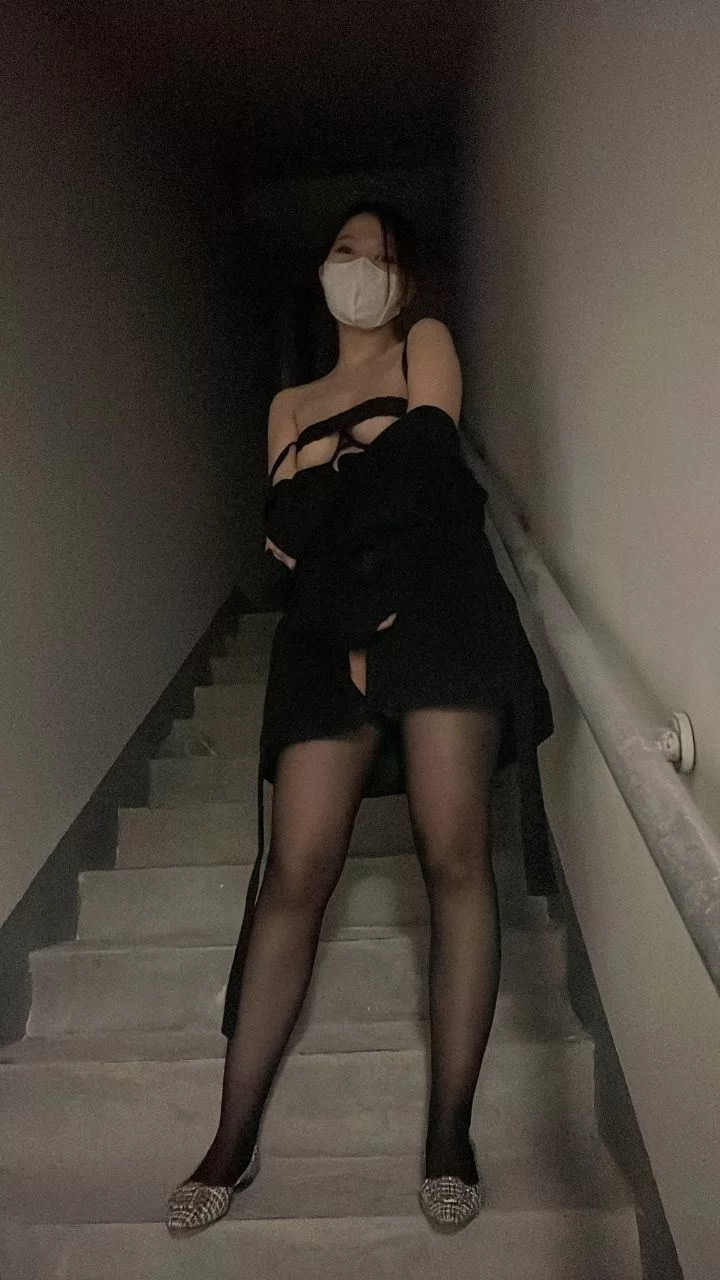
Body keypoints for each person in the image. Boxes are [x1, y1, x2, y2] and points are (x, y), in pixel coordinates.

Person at [166, 200, 557, 1236]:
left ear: (403, 280)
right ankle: (230, 1138)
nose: (358, 265)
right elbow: (284, 536)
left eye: (378, 254)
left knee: (455, 853)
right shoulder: (288, 401)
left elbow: (426, 465)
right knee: (295, 871)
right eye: (344, 249)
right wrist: (344, 520)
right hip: (323, 634)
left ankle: (449, 1135)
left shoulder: (425, 343)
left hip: (442, 612)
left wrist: (328, 494)